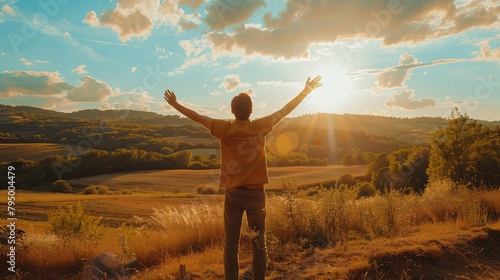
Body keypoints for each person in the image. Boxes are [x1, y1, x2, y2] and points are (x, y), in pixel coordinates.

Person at [163, 75, 322, 280]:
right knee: (259, 242)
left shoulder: (225, 129)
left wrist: (175, 104)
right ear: (251, 110)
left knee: (231, 242)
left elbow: (197, 117)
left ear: (232, 111)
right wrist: (306, 90)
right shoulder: (259, 127)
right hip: (256, 194)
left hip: (234, 194)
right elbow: (285, 110)